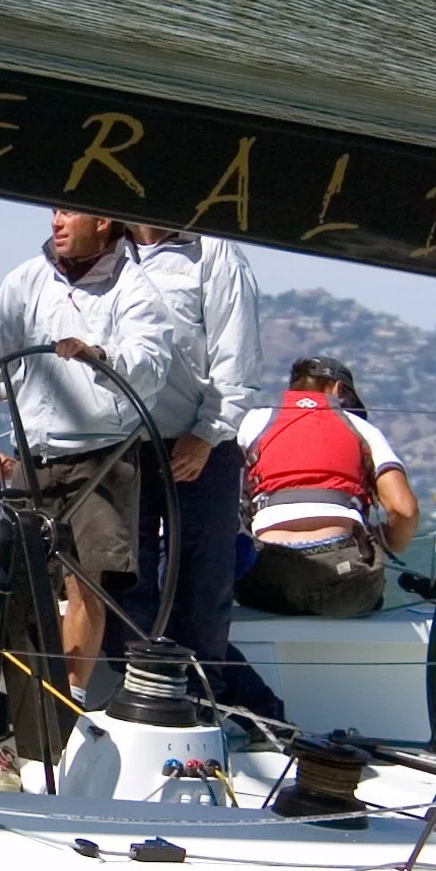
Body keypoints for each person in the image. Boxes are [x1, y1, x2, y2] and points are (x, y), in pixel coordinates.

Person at [0, 209, 175, 698]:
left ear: (103, 221)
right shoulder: (26, 280)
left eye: (68, 211)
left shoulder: (137, 290)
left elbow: (150, 366)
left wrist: (100, 356)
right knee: (18, 580)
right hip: (33, 455)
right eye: (55, 211)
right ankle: (19, 696)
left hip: (100, 457)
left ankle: (70, 697)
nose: (55, 221)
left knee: (87, 582)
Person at [126, 225, 284, 716]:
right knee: (123, 572)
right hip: (123, 442)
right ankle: (146, 689)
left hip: (199, 442)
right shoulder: (108, 250)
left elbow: (236, 358)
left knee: (202, 579)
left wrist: (208, 432)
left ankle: (206, 702)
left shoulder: (215, 256)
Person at [235, 357, 420, 617]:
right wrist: (389, 541)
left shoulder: (251, 422)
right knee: (361, 596)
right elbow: (405, 510)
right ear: (337, 390)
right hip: (343, 577)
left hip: (266, 575)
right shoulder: (362, 428)